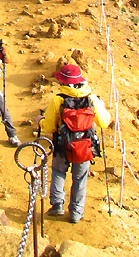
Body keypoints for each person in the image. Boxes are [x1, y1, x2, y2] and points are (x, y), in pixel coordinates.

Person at [38, 64, 111, 224]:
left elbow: (49, 126)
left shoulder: (59, 100)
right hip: (85, 146)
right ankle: (76, 213)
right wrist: (102, 106)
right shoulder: (91, 99)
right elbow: (105, 122)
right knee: (80, 178)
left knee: (58, 171)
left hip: (62, 144)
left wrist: (41, 121)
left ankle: (57, 205)